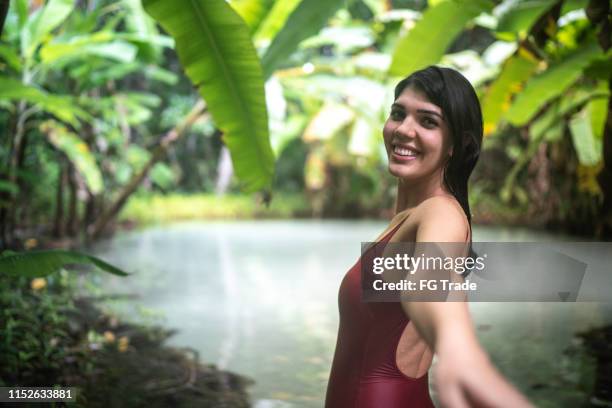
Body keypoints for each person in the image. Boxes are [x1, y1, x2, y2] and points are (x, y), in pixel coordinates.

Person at [325, 66, 533, 407]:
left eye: (428, 121)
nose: (404, 130)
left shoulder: (441, 214)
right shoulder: (414, 218)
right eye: (398, 113)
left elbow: (426, 290)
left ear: (455, 145)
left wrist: (460, 354)